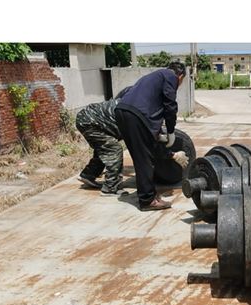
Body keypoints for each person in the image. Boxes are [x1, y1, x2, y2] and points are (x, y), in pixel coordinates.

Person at [114, 62, 187, 211]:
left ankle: (149, 194)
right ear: (180, 76)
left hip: (121, 111)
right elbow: (170, 105)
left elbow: (148, 105)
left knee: (141, 156)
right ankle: (147, 200)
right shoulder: (170, 76)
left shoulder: (153, 77)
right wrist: (171, 131)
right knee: (144, 159)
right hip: (136, 115)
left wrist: (156, 135)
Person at [75, 97, 126, 195]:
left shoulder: (133, 100)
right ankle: (111, 188)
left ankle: (88, 174)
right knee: (114, 149)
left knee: (104, 148)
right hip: (90, 121)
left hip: (90, 118)